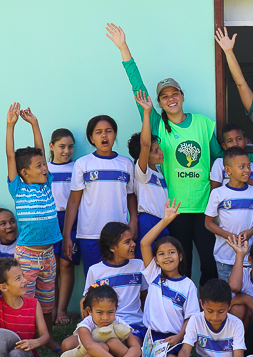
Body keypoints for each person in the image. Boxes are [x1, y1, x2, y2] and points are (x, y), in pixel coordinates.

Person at [107, 23, 222, 284]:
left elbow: (219, 156)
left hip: (204, 206)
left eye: (174, 93)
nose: (171, 98)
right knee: (181, 265)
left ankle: (209, 305)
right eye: (164, 96)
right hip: (174, 209)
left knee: (209, 263)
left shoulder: (203, 123)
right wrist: (124, 48)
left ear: (182, 96)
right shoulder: (158, 125)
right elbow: (137, 87)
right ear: (158, 102)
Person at [5, 103, 61, 338]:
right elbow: (10, 156)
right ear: (25, 173)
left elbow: (40, 151)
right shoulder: (18, 188)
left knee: (47, 299)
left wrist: (34, 124)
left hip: (48, 254)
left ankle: (47, 338)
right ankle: (26, 337)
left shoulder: (47, 184)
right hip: (27, 255)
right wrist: (11, 126)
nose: (45, 168)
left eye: (45, 165)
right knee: (25, 298)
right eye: (39, 166)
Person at [61, 283, 171, 357]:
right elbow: (89, 346)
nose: (105, 317)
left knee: (114, 343)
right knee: (100, 347)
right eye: (99, 312)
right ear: (89, 310)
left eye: (110, 312)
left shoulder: (119, 323)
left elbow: (136, 348)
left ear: (116, 309)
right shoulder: (86, 324)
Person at [62, 115, 138, 273]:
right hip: (90, 234)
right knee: (95, 281)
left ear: (115, 134)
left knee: (118, 278)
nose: (104, 135)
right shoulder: (83, 164)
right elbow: (74, 201)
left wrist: (134, 221)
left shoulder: (126, 164)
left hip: (119, 236)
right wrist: (67, 234)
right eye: (98, 132)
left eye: (108, 131)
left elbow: (131, 195)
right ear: (91, 138)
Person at [138, 200, 191, 357]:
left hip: (174, 340)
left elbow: (190, 318)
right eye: (161, 254)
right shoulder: (154, 274)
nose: (167, 256)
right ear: (156, 260)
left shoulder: (188, 285)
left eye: (172, 252)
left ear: (180, 256)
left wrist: (179, 337)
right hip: (150, 337)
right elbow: (145, 243)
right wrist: (165, 221)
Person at [176, 278, 253, 357]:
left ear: (229, 306)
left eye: (221, 311)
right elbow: (185, 350)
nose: (215, 317)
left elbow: (238, 355)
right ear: (202, 304)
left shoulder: (236, 323)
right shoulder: (195, 320)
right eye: (210, 311)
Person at [204, 147, 253, 280]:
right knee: (228, 290)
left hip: (248, 257)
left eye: (248, 166)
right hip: (225, 257)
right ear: (228, 170)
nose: (247, 170)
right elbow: (208, 223)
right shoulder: (218, 193)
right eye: (242, 167)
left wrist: (251, 232)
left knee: (247, 289)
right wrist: (228, 236)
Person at [83, 222, 149, 342]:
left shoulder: (139, 265)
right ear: (112, 247)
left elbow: (145, 298)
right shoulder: (95, 270)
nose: (133, 244)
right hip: (104, 325)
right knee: (67, 344)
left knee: (122, 344)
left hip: (133, 325)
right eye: (127, 242)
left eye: (132, 240)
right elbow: (88, 301)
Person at [130, 92, 170, 246]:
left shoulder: (159, 171)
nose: (161, 152)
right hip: (148, 221)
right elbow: (145, 144)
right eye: (156, 151)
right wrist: (147, 112)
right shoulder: (142, 172)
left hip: (162, 221)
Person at [48, 127, 78, 326]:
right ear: (51, 146)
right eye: (62, 146)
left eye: (70, 147)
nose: (66, 151)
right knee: (52, 268)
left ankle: (62, 310)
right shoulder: (45, 168)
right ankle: (51, 310)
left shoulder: (77, 167)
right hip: (50, 220)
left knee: (66, 264)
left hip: (72, 220)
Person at [210, 124, 253, 190]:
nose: (235, 143)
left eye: (239, 139)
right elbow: (215, 191)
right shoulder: (219, 163)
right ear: (224, 146)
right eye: (230, 141)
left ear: (245, 141)